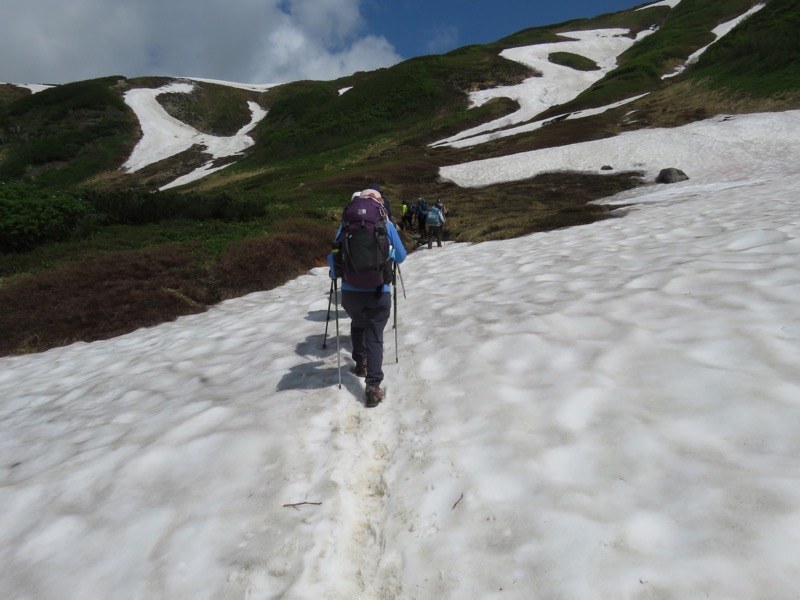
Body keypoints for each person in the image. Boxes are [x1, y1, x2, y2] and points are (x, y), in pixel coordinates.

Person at [328, 188, 407, 407]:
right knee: (375, 336)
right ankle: (373, 387)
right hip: (378, 291)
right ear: (378, 202)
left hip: (351, 293)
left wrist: (335, 274)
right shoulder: (386, 225)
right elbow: (401, 256)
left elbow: (334, 257)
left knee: (358, 323)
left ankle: (360, 361)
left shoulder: (345, 226)